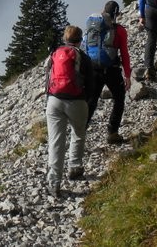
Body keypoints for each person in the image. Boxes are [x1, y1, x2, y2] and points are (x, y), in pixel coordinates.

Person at [44, 25, 94, 198]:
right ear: (80, 40)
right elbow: (91, 83)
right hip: (76, 101)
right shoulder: (83, 57)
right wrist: (86, 100)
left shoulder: (55, 53)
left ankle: (54, 182)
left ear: (65, 39)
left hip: (54, 100)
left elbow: (47, 74)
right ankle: (75, 167)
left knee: (56, 141)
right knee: (78, 133)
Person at [85, 0, 132, 144]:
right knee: (119, 98)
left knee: (92, 101)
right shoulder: (120, 30)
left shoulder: (93, 27)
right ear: (116, 13)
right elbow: (124, 53)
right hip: (111, 69)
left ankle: (80, 130)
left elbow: (85, 46)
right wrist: (128, 75)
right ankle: (112, 132)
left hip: (93, 69)